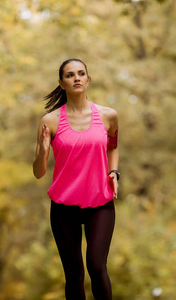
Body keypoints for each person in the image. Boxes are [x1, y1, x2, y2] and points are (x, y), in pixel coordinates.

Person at [33, 58, 120, 300]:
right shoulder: (49, 121)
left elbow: (112, 146)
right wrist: (42, 150)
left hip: (100, 203)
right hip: (63, 207)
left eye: (81, 73)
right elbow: (39, 172)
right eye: (70, 75)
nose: (77, 78)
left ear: (88, 80)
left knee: (96, 265)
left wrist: (114, 172)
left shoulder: (108, 116)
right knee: (74, 274)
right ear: (61, 83)